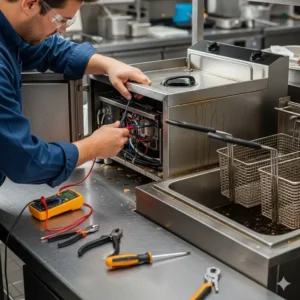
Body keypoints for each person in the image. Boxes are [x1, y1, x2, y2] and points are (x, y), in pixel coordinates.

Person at [0, 0, 152, 187]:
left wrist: (109, 64)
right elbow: (24, 162)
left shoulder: (10, 28)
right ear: (30, 3)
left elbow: (47, 49)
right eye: (60, 20)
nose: (62, 30)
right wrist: (93, 146)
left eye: (67, 22)